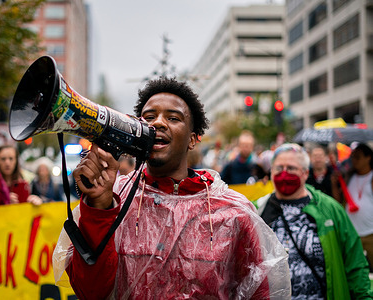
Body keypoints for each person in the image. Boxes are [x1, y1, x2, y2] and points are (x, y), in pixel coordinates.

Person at [53, 77, 290, 299]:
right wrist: (99, 206)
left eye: (173, 118)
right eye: (148, 117)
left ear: (193, 139)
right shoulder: (115, 197)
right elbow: (90, 292)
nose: (157, 123)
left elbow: (260, 292)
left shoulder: (233, 212)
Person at [255, 143, 372, 299]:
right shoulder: (257, 211)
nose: (284, 174)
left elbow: (355, 263)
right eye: (278, 168)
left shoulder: (330, 210)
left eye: (291, 168)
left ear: (305, 173)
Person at [345, 143, 373, 269]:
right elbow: (340, 200)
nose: (354, 160)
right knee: (355, 268)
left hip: (370, 232)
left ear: (368, 158)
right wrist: (335, 185)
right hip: (352, 233)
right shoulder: (349, 177)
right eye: (352, 157)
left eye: (358, 157)